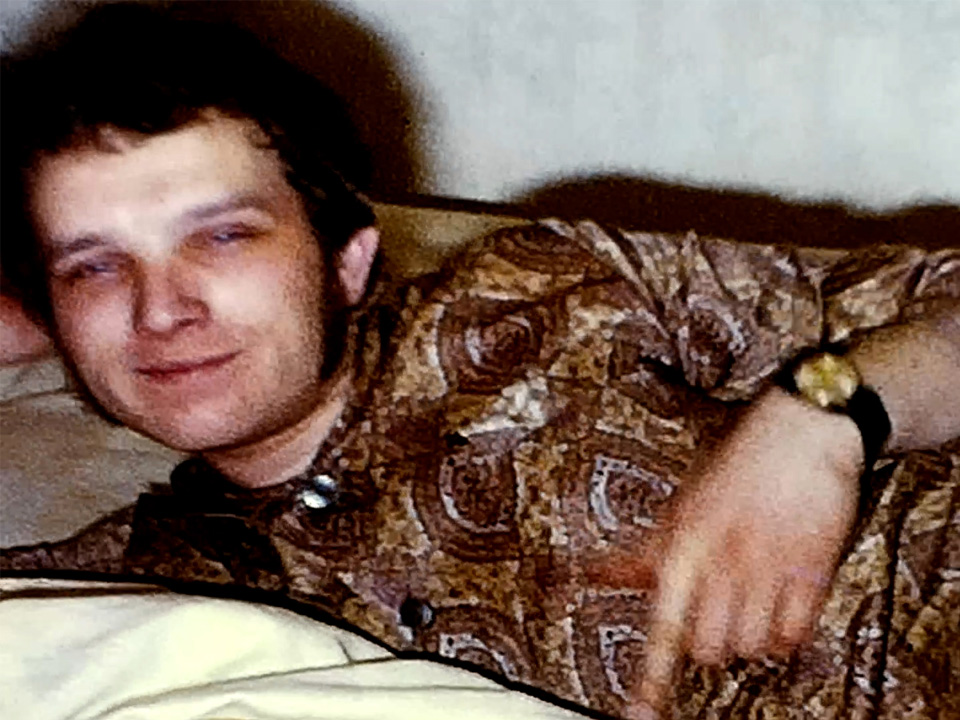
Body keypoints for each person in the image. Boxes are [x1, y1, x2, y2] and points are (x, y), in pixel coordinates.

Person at [2, 5, 958, 719]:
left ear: (347, 263)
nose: (161, 309)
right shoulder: (135, 589)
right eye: (94, 267)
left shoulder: (539, 287)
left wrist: (824, 419)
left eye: (223, 237)